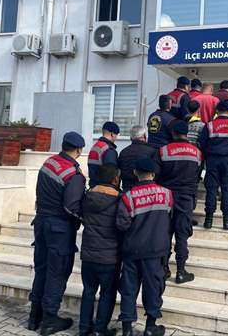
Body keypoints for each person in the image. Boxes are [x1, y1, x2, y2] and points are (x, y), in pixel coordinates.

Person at [27, 132, 86, 335]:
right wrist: (86, 220)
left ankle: (34, 317)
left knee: (42, 269)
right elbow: (72, 207)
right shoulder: (73, 174)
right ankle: (50, 319)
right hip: (60, 229)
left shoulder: (49, 162)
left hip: (41, 222)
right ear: (79, 150)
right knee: (57, 273)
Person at [116, 158, 173, 336]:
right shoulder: (167, 194)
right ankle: (150, 327)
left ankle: (127, 329)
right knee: (153, 288)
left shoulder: (128, 196)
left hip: (132, 250)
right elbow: (170, 218)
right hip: (156, 251)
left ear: (135, 173)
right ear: (153, 174)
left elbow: (122, 225)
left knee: (129, 290)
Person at [79, 165, 122, 336]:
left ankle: (83, 328)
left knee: (88, 291)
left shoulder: (88, 196)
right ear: (115, 179)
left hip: (88, 254)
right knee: (107, 293)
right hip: (109, 256)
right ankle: (100, 330)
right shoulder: (119, 199)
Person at [156, 121, 201, 284]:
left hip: (166, 197)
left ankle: (164, 269)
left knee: (165, 233)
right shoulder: (197, 152)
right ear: (187, 133)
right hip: (186, 198)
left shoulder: (163, 151)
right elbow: (197, 176)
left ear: (173, 133)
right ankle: (181, 271)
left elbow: (156, 174)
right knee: (182, 235)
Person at [198, 102, 228, 230]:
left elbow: (202, 143)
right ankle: (226, 222)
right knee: (227, 189)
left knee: (211, 189)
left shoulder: (209, 125)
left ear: (217, 111)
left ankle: (208, 221)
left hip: (213, 160)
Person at [118, 125, 159, 191]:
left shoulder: (123, 152)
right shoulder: (152, 151)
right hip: (145, 191)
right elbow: (157, 172)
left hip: (127, 190)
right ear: (145, 136)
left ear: (131, 138)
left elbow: (119, 172)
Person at [88, 121, 119, 188]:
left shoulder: (95, 146)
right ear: (112, 134)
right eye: (116, 135)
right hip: (104, 188)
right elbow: (110, 173)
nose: (116, 138)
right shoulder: (109, 149)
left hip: (93, 186)